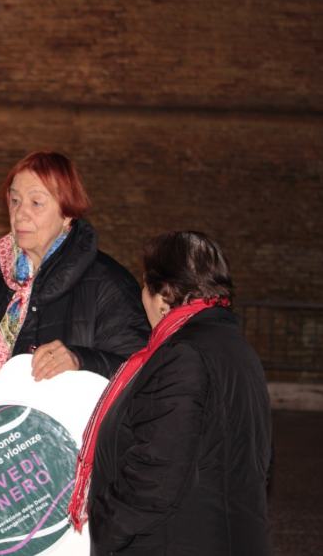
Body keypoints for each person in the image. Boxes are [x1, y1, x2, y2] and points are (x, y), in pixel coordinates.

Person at [69, 231, 273, 555]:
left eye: (144, 287)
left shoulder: (184, 356)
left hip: (176, 541)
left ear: (164, 294)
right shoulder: (230, 345)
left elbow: (154, 476)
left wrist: (104, 525)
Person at [0, 151, 150, 402]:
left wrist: (80, 361)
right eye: (15, 201)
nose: (20, 214)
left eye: (36, 203)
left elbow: (141, 372)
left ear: (67, 213)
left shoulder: (108, 283)